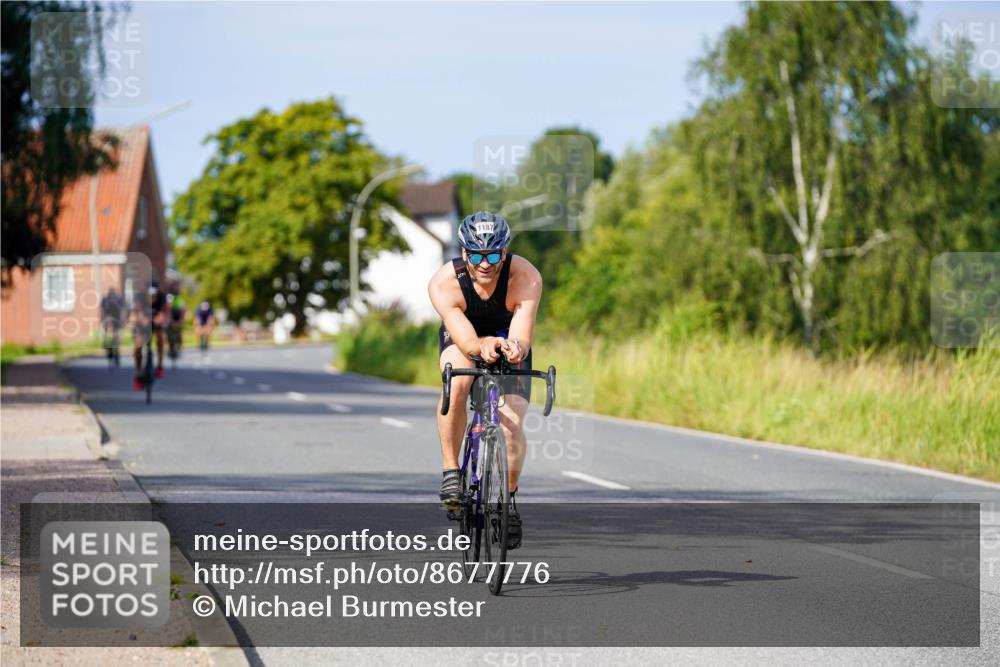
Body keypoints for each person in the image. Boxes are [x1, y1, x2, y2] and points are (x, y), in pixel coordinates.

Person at [427, 211, 543, 550]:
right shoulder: (444, 283)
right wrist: (481, 345)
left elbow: (522, 334)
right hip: (464, 334)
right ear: (464, 252)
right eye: (477, 256)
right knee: (457, 384)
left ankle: (508, 500)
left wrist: (514, 347)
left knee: (511, 425)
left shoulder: (526, 276)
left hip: (507, 335)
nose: (485, 264)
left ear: (505, 252)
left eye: (493, 256)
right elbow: (466, 342)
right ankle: (451, 472)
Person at [131, 281, 168, 390]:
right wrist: (140, 319)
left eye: (154, 296)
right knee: (138, 344)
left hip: (155, 323)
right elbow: (135, 313)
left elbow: (164, 313)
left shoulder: (162, 297)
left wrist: (159, 319)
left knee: (161, 337)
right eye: (150, 296)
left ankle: (160, 365)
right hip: (142, 324)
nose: (152, 299)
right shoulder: (140, 297)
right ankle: (138, 372)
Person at [99, 287, 125, 365]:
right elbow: (122, 311)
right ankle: (114, 353)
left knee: (113, 338)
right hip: (112, 320)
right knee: (114, 338)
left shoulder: (106, 299)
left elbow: (102, 311)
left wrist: (103, 321)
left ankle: (113, 353)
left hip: (112, 320)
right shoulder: (118, 299)